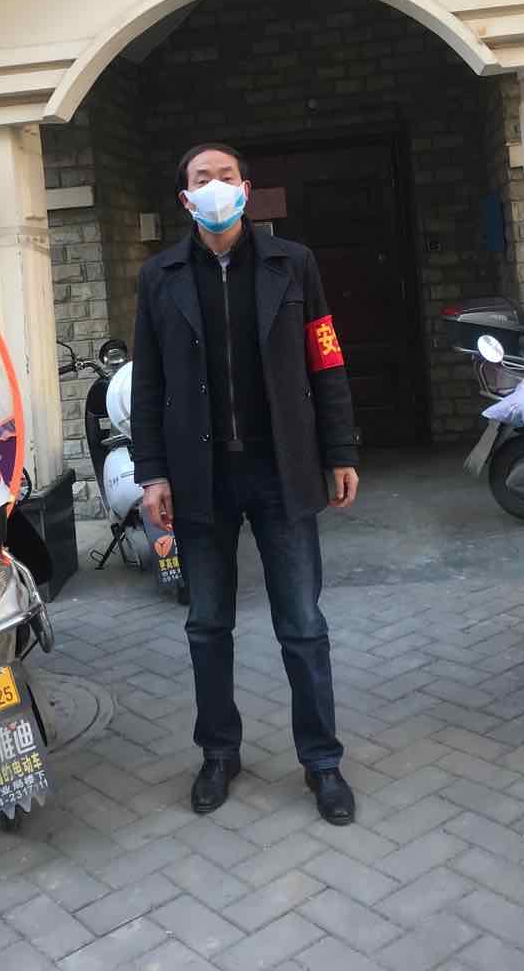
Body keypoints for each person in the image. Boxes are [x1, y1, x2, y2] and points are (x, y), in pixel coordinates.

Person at [132, 143, 360, 825]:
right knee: (207, 624)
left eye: (225, 176)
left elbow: (326, 358)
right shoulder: (160, 277)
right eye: (201, 178)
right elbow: (148, 382)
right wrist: (152, 472)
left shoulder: (294, 264)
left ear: (245, 188)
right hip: (199, 479)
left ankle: (322, 761)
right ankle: (218, 753)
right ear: (186, 198)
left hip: (281, 470)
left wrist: (339, 450)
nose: (215, 186)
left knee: (303, 625)